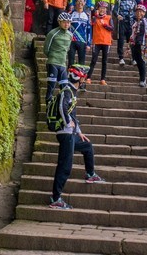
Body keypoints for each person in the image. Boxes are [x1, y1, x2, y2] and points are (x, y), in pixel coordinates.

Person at [48, 65, 106, 209]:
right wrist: (68, 123)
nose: (84, 80)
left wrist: (78, 131)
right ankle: (56, 198)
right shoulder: (67, 90)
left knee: (87, 146)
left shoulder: (72, 92)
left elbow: (73, 113)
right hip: (65, 133)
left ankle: (90, 174)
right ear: (78, 79)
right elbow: (62, 107)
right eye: (83, 78)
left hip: (72, 133)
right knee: (65, 166)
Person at [43, 11, 73, 101]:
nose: (66, 24)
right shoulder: (53, 33)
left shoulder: (70, 35)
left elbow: (67, 49)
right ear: (59, 22)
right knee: (51, 87)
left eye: (68, 22)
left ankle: (62, 110)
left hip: (63, 64)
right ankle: (48, 108)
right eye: (64, 22)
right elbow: (46, 49)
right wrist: (52, 56)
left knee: (64, 88)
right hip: (53, 62)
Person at [86, 0, 113, 85]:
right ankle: (88, 77)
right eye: (101, 8)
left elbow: (112, 28)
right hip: (96, 41)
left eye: (104, 8)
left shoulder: (109, 17)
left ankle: (103, 79)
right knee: (93, 60)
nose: (103, 10)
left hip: (106, 42)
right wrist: (95, 15)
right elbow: (91, 24)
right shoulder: (95, 17)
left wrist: (105, 25)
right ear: (98, 8)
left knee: (104, 61)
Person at [128, 4, 147, 87]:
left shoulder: (146, 22)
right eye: (137, 11)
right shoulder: (135, 24)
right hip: (135, 45)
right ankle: (141, 78)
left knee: (142, 61)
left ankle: (143, 79)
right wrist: (129, 46)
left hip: (143, 44)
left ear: (144, 13)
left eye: (141, 12)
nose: (139, 13)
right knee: (138, 62)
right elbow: (132, 35)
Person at [113, 0, 139, 65]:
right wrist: (118, 16)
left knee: (131, 41)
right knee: (120, 40)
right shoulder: (119, 1)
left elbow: (136, 11)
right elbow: (115, 10)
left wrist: (136, 20)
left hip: (131, 23)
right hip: (122, 23)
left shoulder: (133, 1)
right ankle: (121, 57)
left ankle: (133, 58)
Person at [67, 0, 91, 67]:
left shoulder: (87, 15)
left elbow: (89, 31)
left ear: (84, 3)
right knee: (71, 61)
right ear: (75, 2)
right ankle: (70, 77)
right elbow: (67, 28)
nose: (80, 3)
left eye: (82, 1)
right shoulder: (70, 14)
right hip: (72, 41)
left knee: (82, 62)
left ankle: (81, 78)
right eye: (78, 1)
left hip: (82, 41)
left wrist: (89, 44)